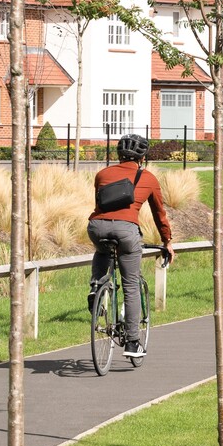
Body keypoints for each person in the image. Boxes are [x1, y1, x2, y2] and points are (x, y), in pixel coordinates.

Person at [88, 134, 174, 357]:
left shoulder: (102, 174)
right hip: (127, 231)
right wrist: (167, 241)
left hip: (96, 227)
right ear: (142, 158)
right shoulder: (149, 178)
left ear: (118, 154)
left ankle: (96, 286)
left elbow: (101, 204)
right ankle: (133, 343)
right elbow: (159, 214)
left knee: (102, 249)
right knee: (131, 285)